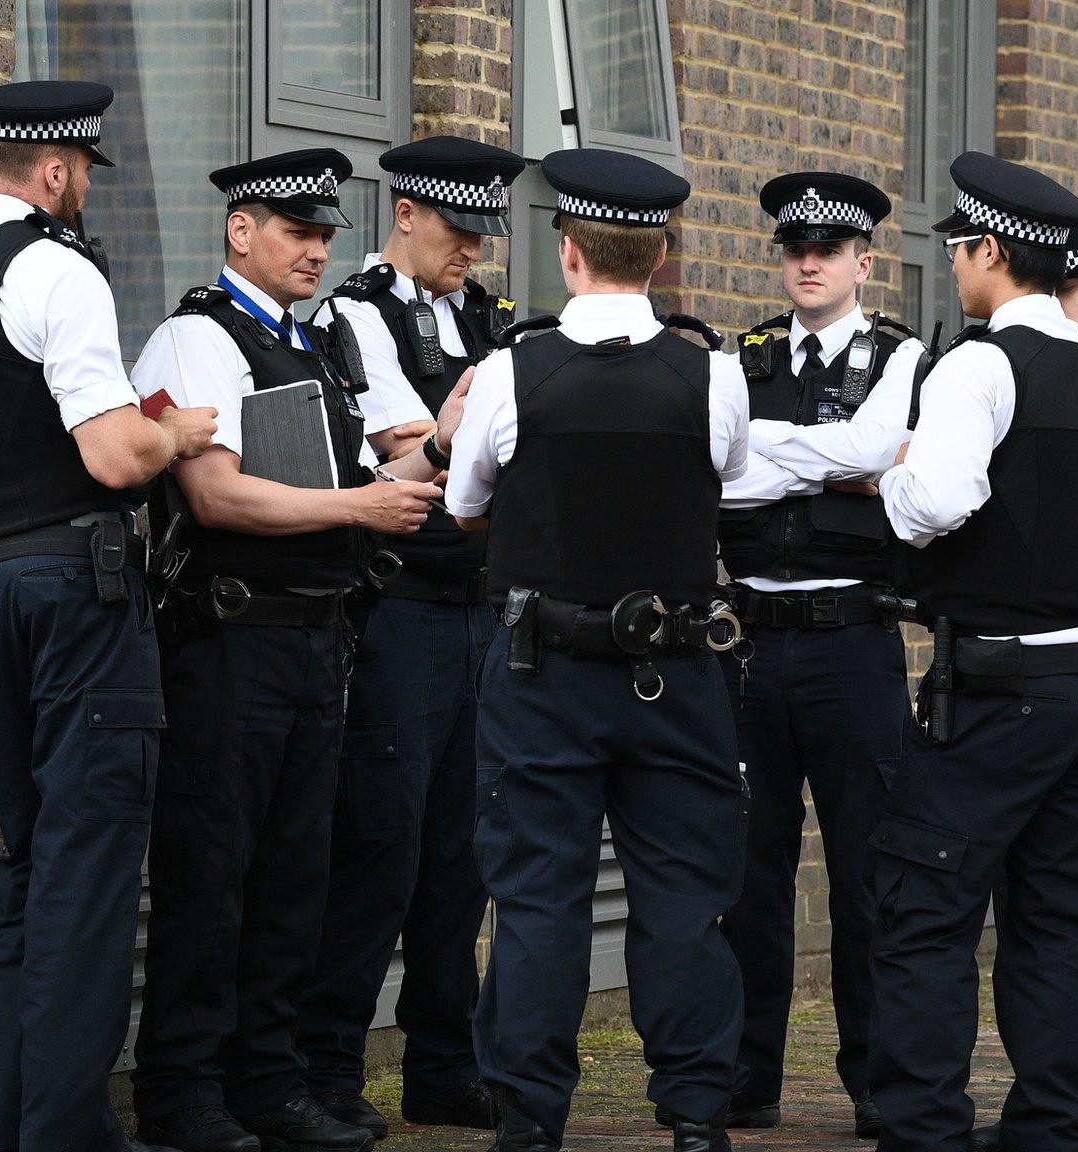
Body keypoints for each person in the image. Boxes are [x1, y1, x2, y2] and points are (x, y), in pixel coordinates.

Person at [0, 79, 218, 1152]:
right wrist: (180, 435)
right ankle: (65, 1136)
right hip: (77, 598)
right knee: (89, 872)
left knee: (25, 868)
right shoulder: (52, 267)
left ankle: (2, 1131)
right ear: (59, 170)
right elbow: (114, 453)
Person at [865, 152, 1078, 1152]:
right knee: (1060, 916)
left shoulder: (978, 362)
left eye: (961, 250)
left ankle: (924, 1128)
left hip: (998, 687)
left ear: (993, 252)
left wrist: (891, 476)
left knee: (925, 906)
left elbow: (936, 502)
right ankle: (1052, 1125)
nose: (957, 266)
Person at [128, 149, 438, 1152]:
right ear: (240, 231)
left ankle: (267, 1086)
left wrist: (445, 441)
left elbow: (364, 472)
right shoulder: (199, 337)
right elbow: (216, 495)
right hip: (228, 638)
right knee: (211, 872)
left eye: (324, 236)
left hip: (313, 639)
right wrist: (361, 504)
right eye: (296, 232)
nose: (315, 250)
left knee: (293, 878)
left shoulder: (313, 346)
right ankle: (182, 1094)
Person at [445, 147, 751, 1152]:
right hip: (677, 673)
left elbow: (461, 504)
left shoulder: (509, 369)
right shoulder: (713, 373)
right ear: (659, 257)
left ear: (567, 252)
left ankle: (528, 1122)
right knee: (681, 903)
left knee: (537, 902)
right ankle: (697, 1115)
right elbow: (727, 482)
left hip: (542, 671)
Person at [294, 135, 528, 1140]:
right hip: (403, 615)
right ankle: (329, 1067)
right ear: (404, 214)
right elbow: (410, 456)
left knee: (460, 858)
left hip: (480, 608)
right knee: (380, 849)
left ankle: (443, 1067)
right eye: (457, 227)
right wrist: (466, 439)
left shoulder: (483, 316)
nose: (473, 247)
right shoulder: (355, 312)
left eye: (483, 229)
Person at [700, 170, 925, 1140]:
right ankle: (749, 1075)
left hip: (851, 643)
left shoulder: (904, 355)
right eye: (793, 248)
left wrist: (786, 453)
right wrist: (837, 459)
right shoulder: (736, 354)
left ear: (861, 263)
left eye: (826, 251)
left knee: (869, 873)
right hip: (747, 643)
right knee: (747, 875)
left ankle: (875, 1075)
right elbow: (719, 474)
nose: (806, 262)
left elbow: (881, 450)